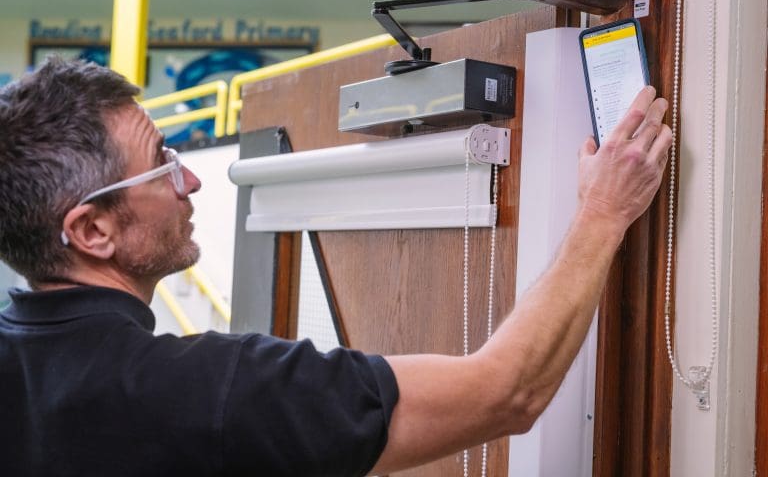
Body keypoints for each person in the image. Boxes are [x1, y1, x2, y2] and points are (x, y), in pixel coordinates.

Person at [0, 56, 672, 476]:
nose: (191, 181)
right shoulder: (208, 390)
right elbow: (508, 392)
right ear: (91, 230)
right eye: (161, 165)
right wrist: (603, 211)